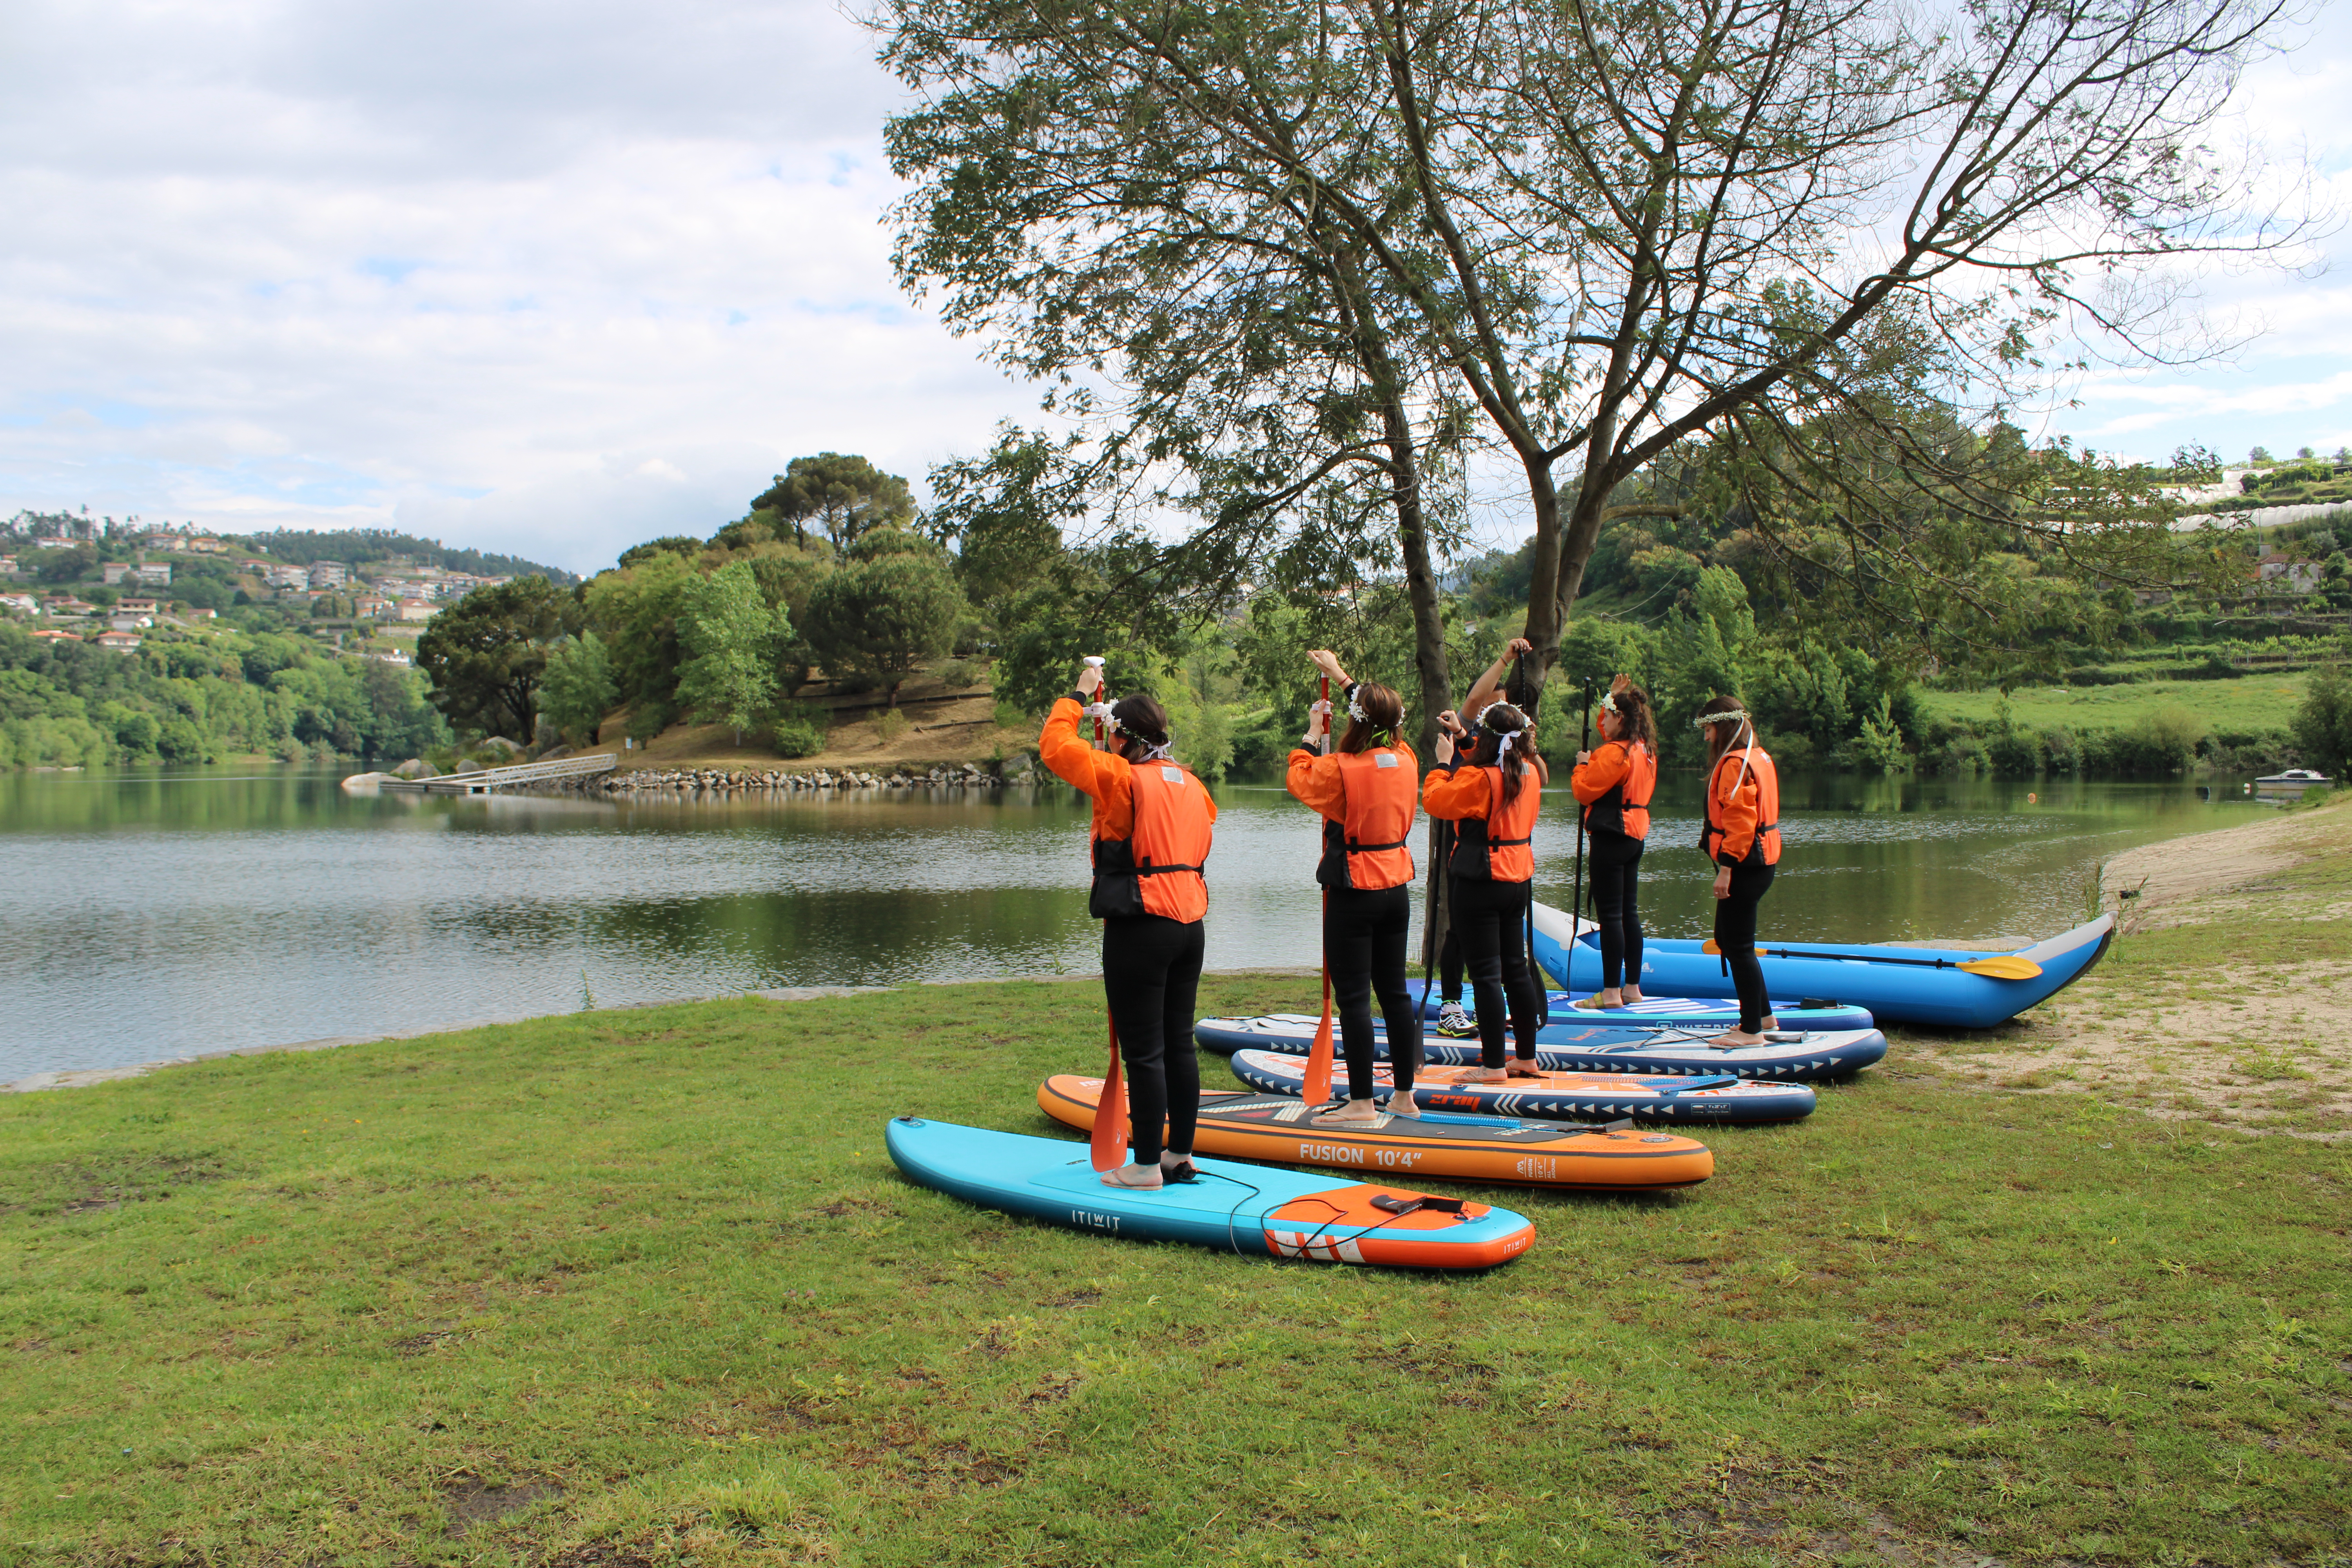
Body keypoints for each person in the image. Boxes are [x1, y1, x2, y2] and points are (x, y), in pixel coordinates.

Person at [1039, 661, 1219, 1189]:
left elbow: (1054, 747)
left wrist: (1079, 695)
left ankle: (1143, 1168)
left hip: (1141, 924)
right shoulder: (1192, 783)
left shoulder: (1118, 776)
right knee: (1178, 1044)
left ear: (1121, 738)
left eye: (1114, 734)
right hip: (1190, 925)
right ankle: (1177, 1156)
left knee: (1144, 1049)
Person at [1286, 650, 1423, 1122]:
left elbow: (1298, 778)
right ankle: (1404, 1095)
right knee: (1396, 995)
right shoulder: (1407, 758)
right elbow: (1374, 713)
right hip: (1396, 891)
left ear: (1357, 722)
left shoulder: (1340, 768)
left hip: (1353, 890)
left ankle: (1362, 1103)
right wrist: (1341, 678)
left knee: (1354, 1000)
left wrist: (1312, 734)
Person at [1422, 697, 1547, 1082]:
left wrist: (1444, 764)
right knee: (1516, 971)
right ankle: (1525, 1057)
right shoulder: (1530, 773)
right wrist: (1462, 740)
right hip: (1517, 881)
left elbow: (1435, 801)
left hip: (1479, 881)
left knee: (1487, 977)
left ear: (1489, 739)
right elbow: (1484, 757)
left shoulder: (1480, 780)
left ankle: (1493, 1065)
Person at [1430, 638, 1534, 1038]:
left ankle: (1494, 1052)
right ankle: (1453, 1005)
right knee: (1477, 945)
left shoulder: (1492, 761)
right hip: (1501, 866)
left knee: (1491, 969)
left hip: (1487, 866)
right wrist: (1506, 657)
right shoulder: (1523, 763)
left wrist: (1446, 759)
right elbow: (1475, 701)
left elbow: (1437, 798)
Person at [1696, 694, 1782, 1045]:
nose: (1706, 738)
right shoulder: (1759, 756)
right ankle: (1763, 1017)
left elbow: (1742, 822)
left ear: (1724, 727)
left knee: (1738, 944)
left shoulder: (1735, 764)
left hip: (1745, 865)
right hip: (1759, 862)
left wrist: (1726, 870)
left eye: (1710, 729)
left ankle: (1751, 1032)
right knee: (1728, 940)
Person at [1570, 676, 1657, 1009]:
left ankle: (1609, 994)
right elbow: (1608, 730)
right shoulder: (1644, 750)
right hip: (1635, 835)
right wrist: (1613, 696)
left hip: (1611, 834)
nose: (1601, 722)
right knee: (1628, 913)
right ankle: (1632, 987)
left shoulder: (1614, 754)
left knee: (1610, 916)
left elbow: (1584, 790)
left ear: (1620, 718)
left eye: (1607, 715)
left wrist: (1581, 766)